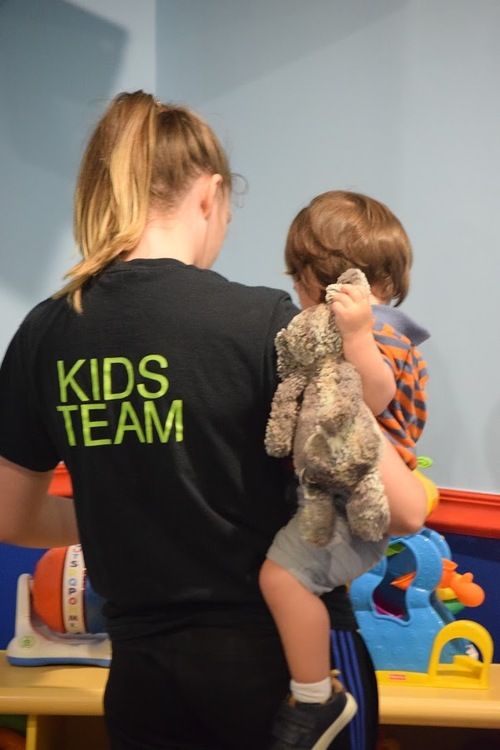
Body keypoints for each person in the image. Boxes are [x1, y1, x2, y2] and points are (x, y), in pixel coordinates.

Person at [0, 94, 427, 750]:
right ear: (210, 194)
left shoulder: (45, 333)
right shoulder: (266, 323)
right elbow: (402, 509)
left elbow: (14, 516)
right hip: (290, 678)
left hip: (144, 678)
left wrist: (142, 512)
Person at [260, 190, 431, 750]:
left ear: (331, 284)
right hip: (348, 496)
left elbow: (372, 397)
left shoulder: (375, 333)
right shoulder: (386, 333)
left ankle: (316, 698)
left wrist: (354, 336)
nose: (295, 292)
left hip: (356, 502)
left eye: (299, 278)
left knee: (282, 579)